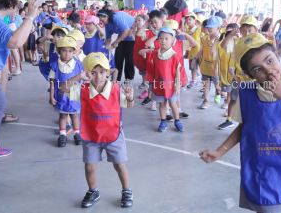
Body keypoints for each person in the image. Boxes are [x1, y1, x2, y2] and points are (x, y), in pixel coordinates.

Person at [200, 32, 281, 213]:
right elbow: (246, 127)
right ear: (249, 74)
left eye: (270, 60)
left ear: (276, 54)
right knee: (267, 206)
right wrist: (219, 152)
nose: (268, 70)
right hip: (265, 170)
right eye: (257, 69)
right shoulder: (248, 92)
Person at [60, 52, 134, 208]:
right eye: (93, 73)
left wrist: (130, 98)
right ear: (87, 74)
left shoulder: (116, 89)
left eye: (102, 72)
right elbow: (62, 89)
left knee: (120, 164)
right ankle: (93, 191)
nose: (98, 77)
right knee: (89, 166)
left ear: (107, 73)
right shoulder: (83, 90)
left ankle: (127, 190)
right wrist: (78, 76)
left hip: (114, 134)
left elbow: (129, 105)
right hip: (91, 135)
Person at [0, 0, 38, 157]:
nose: (17, 5)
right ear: (10, 3)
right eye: (16, 2)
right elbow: (14, 43)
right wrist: (30, 17)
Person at [146, 27, 184, 132]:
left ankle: (177, 121)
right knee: (162, 104)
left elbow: (177, 72)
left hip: (171, 85)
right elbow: (152, 69)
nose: (163, 41)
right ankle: (163, 121)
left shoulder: (174, 55)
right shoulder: (156, 54)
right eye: (161, 38)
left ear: (172, 40)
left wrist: (177, 84)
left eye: (167, 38)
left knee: (173, 104)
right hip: (159, 84)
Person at [49, 36, 83, 147]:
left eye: (70, 51)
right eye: (64, 50)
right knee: (63, 115)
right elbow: (52, 81)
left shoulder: (78, 65)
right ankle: (62, 134)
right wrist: (51, 96)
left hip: (74, 95)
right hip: (61, 95)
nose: (67, 53)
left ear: (74, 52)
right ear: (59, 51)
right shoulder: (55, 65)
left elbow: (83, 81)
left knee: (74, 115)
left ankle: (77, 133)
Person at [97, 8, 135, 81]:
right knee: (118, 58)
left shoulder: (116, 18)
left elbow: (126, 31)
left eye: (102, 20)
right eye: (100, 20)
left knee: (129, 59)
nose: (101, 22)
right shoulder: (107, 25)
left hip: (131, 35)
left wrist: (116, 42)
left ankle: (128, 80)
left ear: (107, 17)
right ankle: (117, 80)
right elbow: (108, 39)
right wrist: (105, 50)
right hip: (122, 36)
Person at [198, 16, 222, 109]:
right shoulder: (205, 38)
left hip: (216, 67)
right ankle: (206, 101)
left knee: (217, 85)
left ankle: (218, 92)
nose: (209, 28)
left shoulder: (221, 40)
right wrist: (196, 58)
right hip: (205, 66)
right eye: (208, 27)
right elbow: (201, 50)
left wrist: (217, 68)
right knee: (205, 84)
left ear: (218, 28)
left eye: (211, 27)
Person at [184, 12, 201, 89]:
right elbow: (187, 43)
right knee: (192, 67)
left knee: (202, 68)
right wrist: (187, 52)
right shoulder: (187, 30)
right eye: (187, 19)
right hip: (191, 52)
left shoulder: (199, 29)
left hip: (199, 52)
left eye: (190, 19)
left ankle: (205, 85)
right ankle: (194, 80)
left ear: (195, 20)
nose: (188, 21)